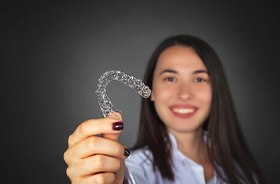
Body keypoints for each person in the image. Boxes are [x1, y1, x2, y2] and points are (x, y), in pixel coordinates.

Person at [63, 34, 265, 184]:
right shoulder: (135, 168)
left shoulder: (242, 172)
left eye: (199, 79)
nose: (184, 93)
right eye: (170, 78)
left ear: (216, 91)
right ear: (152, 91)